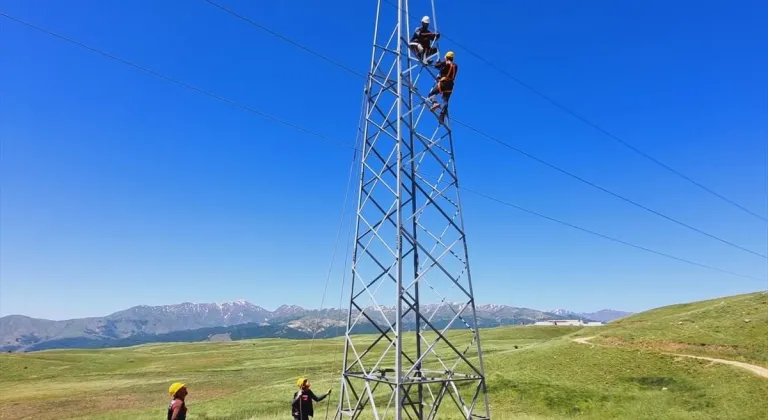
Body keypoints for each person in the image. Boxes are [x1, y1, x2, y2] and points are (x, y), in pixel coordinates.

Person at [427, 51, 458, 124]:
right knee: (445, 100)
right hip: (450, 85)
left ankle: (434, 103)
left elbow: (436, 66)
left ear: (447, 57)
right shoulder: (455, 66)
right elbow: (446, 70)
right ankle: (442, 116)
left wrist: (438, 62)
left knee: (431, 94)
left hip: (444, 82)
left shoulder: (445, 63)